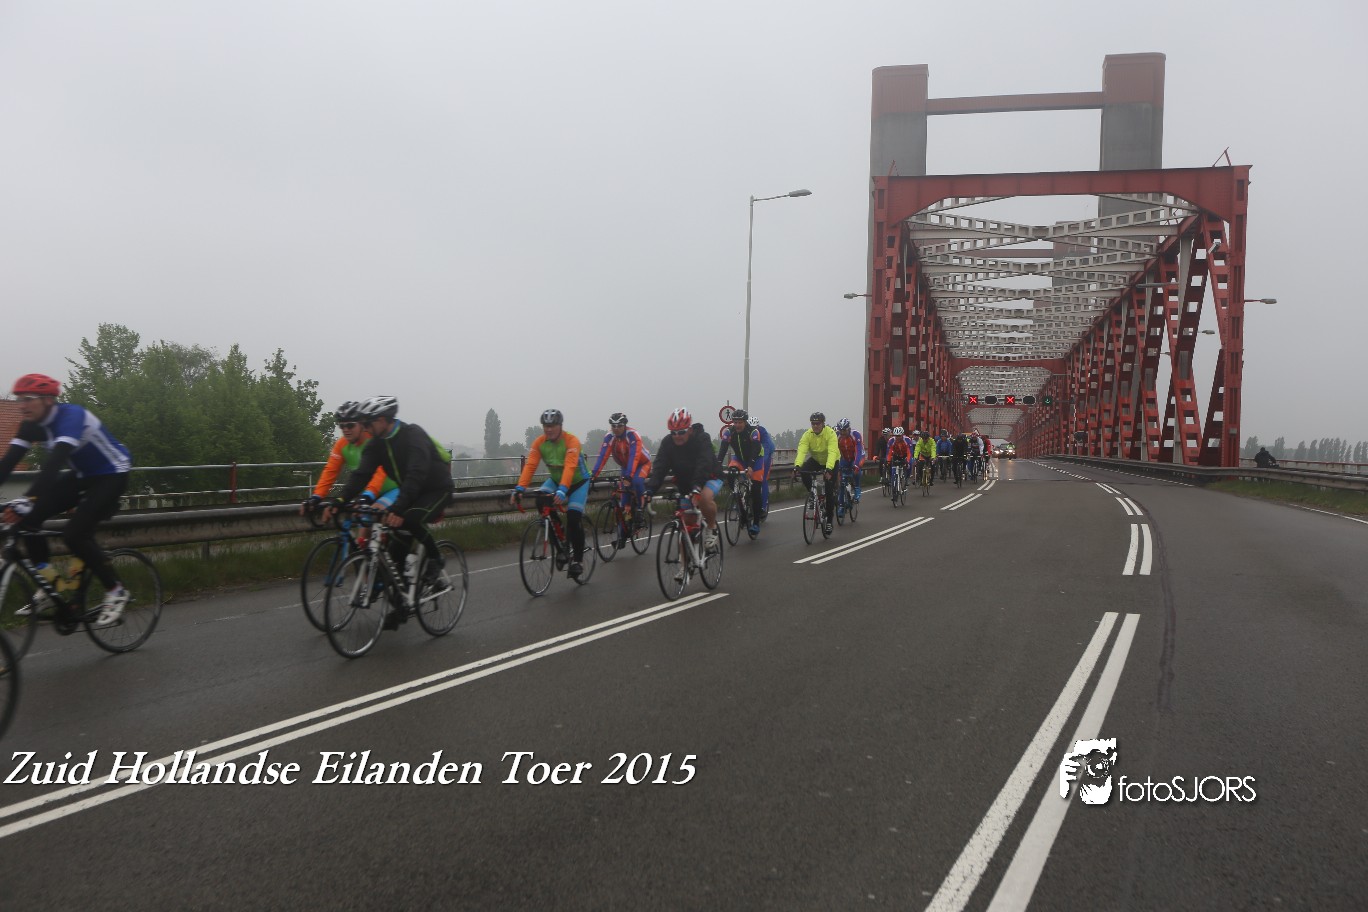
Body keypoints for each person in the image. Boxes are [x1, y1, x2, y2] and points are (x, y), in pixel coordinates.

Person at [0, 373, 133, 627]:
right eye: (20, 399)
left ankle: (116, 590)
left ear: (48, 400)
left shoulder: (71, 416)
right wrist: (29, 505)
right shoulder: (30, 425)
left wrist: (29, 498)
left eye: (29, 399)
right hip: (82, 475)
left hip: (112, 474)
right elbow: (7, 464)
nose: (22, 405)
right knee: (26, 522)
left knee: (74, 535)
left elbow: (54, 464)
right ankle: (49, 585)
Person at [333, 396, 455, 624]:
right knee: (395, 550)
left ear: (382, 420)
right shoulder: (377, 444)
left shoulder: (413, 435)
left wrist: (398, 507)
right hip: (411, 491)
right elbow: (361, 474)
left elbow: (416, 473)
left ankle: (436, 558)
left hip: (436, 489)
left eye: (367, 423)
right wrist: (340, 500)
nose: (365, 428)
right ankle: (403, 602)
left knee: (410, 519)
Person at [512, 409, 591, 580]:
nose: (549, 429)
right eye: (546, 426)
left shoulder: (571, 441)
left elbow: (570, 467)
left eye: (552, 426)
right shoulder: (540, 443)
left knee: (573, 517)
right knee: (541, 501)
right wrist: (520, 488)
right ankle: (561, 542)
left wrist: (563, 489)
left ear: (560, 426)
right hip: (556, 480)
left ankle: (578, 561)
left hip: (578, 482)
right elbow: (530, 466)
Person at [643, 408, 724, 567]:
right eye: (673, 432)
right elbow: (660, 467)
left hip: (710, 476)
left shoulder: (702, 439)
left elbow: (704, 463)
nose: (677, 436)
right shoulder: (668, 443)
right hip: (686, 482)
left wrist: (697, 487)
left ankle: (712, 527)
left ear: (690, 430)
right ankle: (684, 567)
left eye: (681, 432)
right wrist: (650, 489)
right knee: (685, 525)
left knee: (704, 498)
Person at [301, 401, 398, 517]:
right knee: (352, 521)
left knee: (370, 516)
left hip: (393, 489)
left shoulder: (374, 441)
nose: (346, 429)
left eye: (350, 425)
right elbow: (330, 471)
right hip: (369, 493)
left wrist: (368, 495)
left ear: (362, 425)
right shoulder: (341, 444)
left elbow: (380, 471)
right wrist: (317, 496)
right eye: (342, 426)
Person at [588, 412, 652, 523]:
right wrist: (594, 474)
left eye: (619, 426)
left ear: (625, 425)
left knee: (636, 481)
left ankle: (641, 509)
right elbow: (603, 456)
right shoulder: (610, 437)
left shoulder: (632, 435)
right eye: (613, 426)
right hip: (626, 466)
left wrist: (629, 476)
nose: (616, 429)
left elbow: (634, 456)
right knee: (624, 497)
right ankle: (626, 525)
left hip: (642, 463)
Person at [718, 408, 767, 536]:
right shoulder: (729, 432)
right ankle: (738, 499)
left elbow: (756, 448)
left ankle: (756, 523)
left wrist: (750, 466)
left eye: (740, 422)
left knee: (756, 491)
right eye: (735, 422)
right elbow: (723, 448)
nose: (737, 425)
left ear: (745, 422)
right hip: (739, 459)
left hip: (755, 459)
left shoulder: (753, 432)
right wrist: (717, 464)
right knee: (730, 474)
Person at [793, 411, 839, 534]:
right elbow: (802, 450)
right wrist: (797, 466)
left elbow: (832, 452)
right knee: (804, 471)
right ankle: (813, 495)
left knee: (829, 490)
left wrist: (829, 469)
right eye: (813, 424)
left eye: (817, 423)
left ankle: (829, 521)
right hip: (817, 460)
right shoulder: (807, 435)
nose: (815, 426)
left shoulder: (830, 434)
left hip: (831, 461)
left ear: (823, 423)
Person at [747, 414, 777, 518]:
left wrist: (760, 464)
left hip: (766, 455)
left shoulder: (763, 433)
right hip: (755, 454)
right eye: (751, 427)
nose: (754, 429)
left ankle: (763, 507)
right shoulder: (748, 432)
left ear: (758, 426)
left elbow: (766, 451)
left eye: (755, 427)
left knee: (762, 479)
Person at [833, 418, 865, 515]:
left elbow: (858, 451)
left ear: (849, 429)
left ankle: (857, 488)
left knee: (856, 469)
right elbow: (834, 451)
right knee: (842, 484)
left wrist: (856, 464)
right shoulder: (837, 436)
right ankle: (841, 506)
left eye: (844, 430)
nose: (842, 432)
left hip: (856, 456)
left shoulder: (855, 434)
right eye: (841, 430)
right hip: (845, 458)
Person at [885, 426, 912, 494]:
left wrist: (907, 461)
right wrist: (888, 461)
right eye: (896, 436)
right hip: (896, 456)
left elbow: (909, 452)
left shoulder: (907, 440)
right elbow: (889, 452)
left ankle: (906, 478)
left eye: (899, 436)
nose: (897, 437)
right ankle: (893, 484)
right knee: (892, 471)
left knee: (910, 464)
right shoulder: (891, 440)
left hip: (905, 456)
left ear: (902, 435)